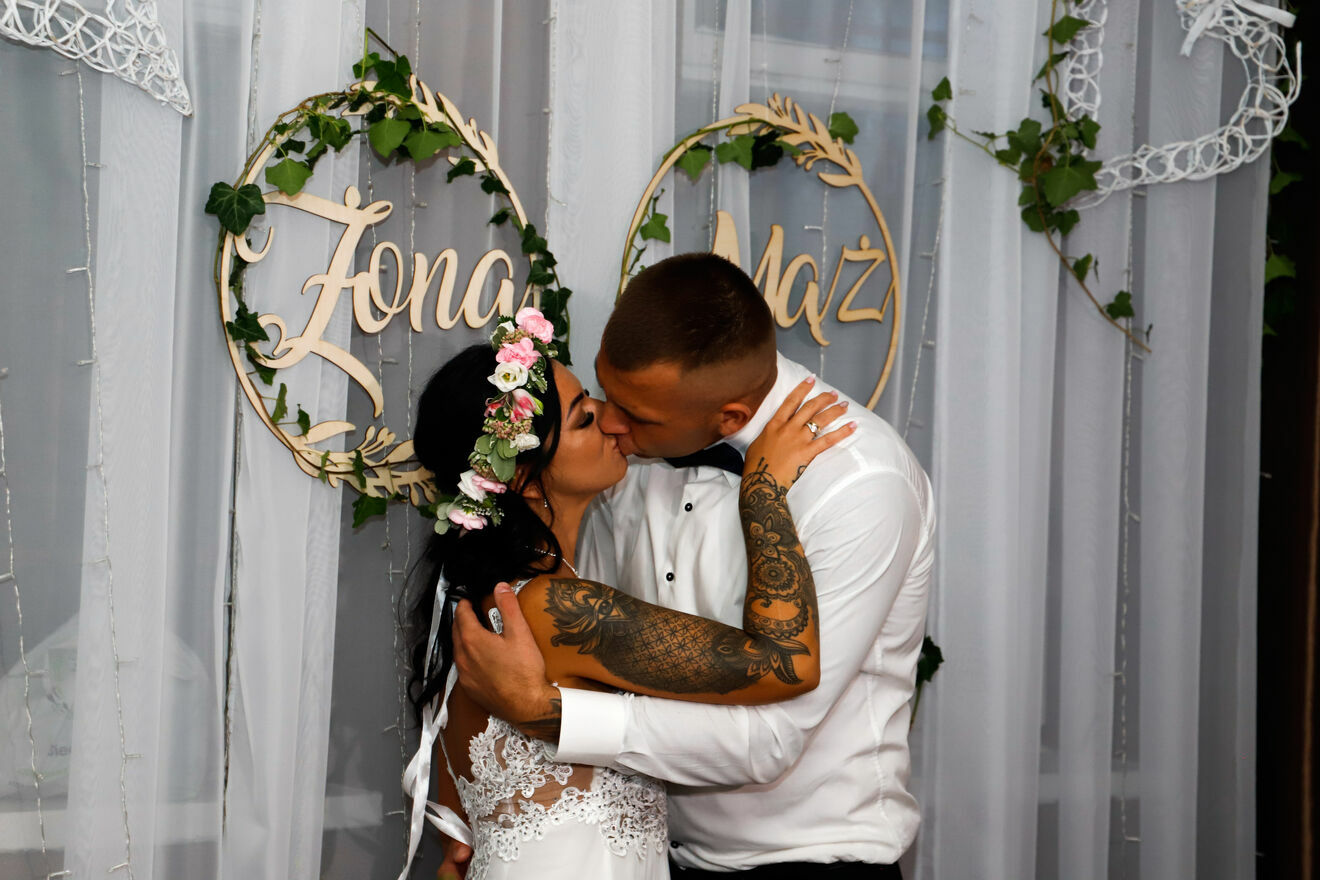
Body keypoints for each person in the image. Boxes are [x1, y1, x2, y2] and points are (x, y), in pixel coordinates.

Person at [451, 254, 936, 878]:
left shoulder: (858, 485)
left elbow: (770, 738)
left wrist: (550, 714)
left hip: (811, 860)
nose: (611, 422)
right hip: (652, 857)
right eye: (601, 395)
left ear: (729, 418)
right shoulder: (620, 460)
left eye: (636, 415)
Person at [399, 306, 855, 880]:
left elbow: (462, 820)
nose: (611, 421)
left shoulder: (474, 604)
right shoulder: (549, 607)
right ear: (524, 478)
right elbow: (787, 661)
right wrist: (763, 490)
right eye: (584, 419)